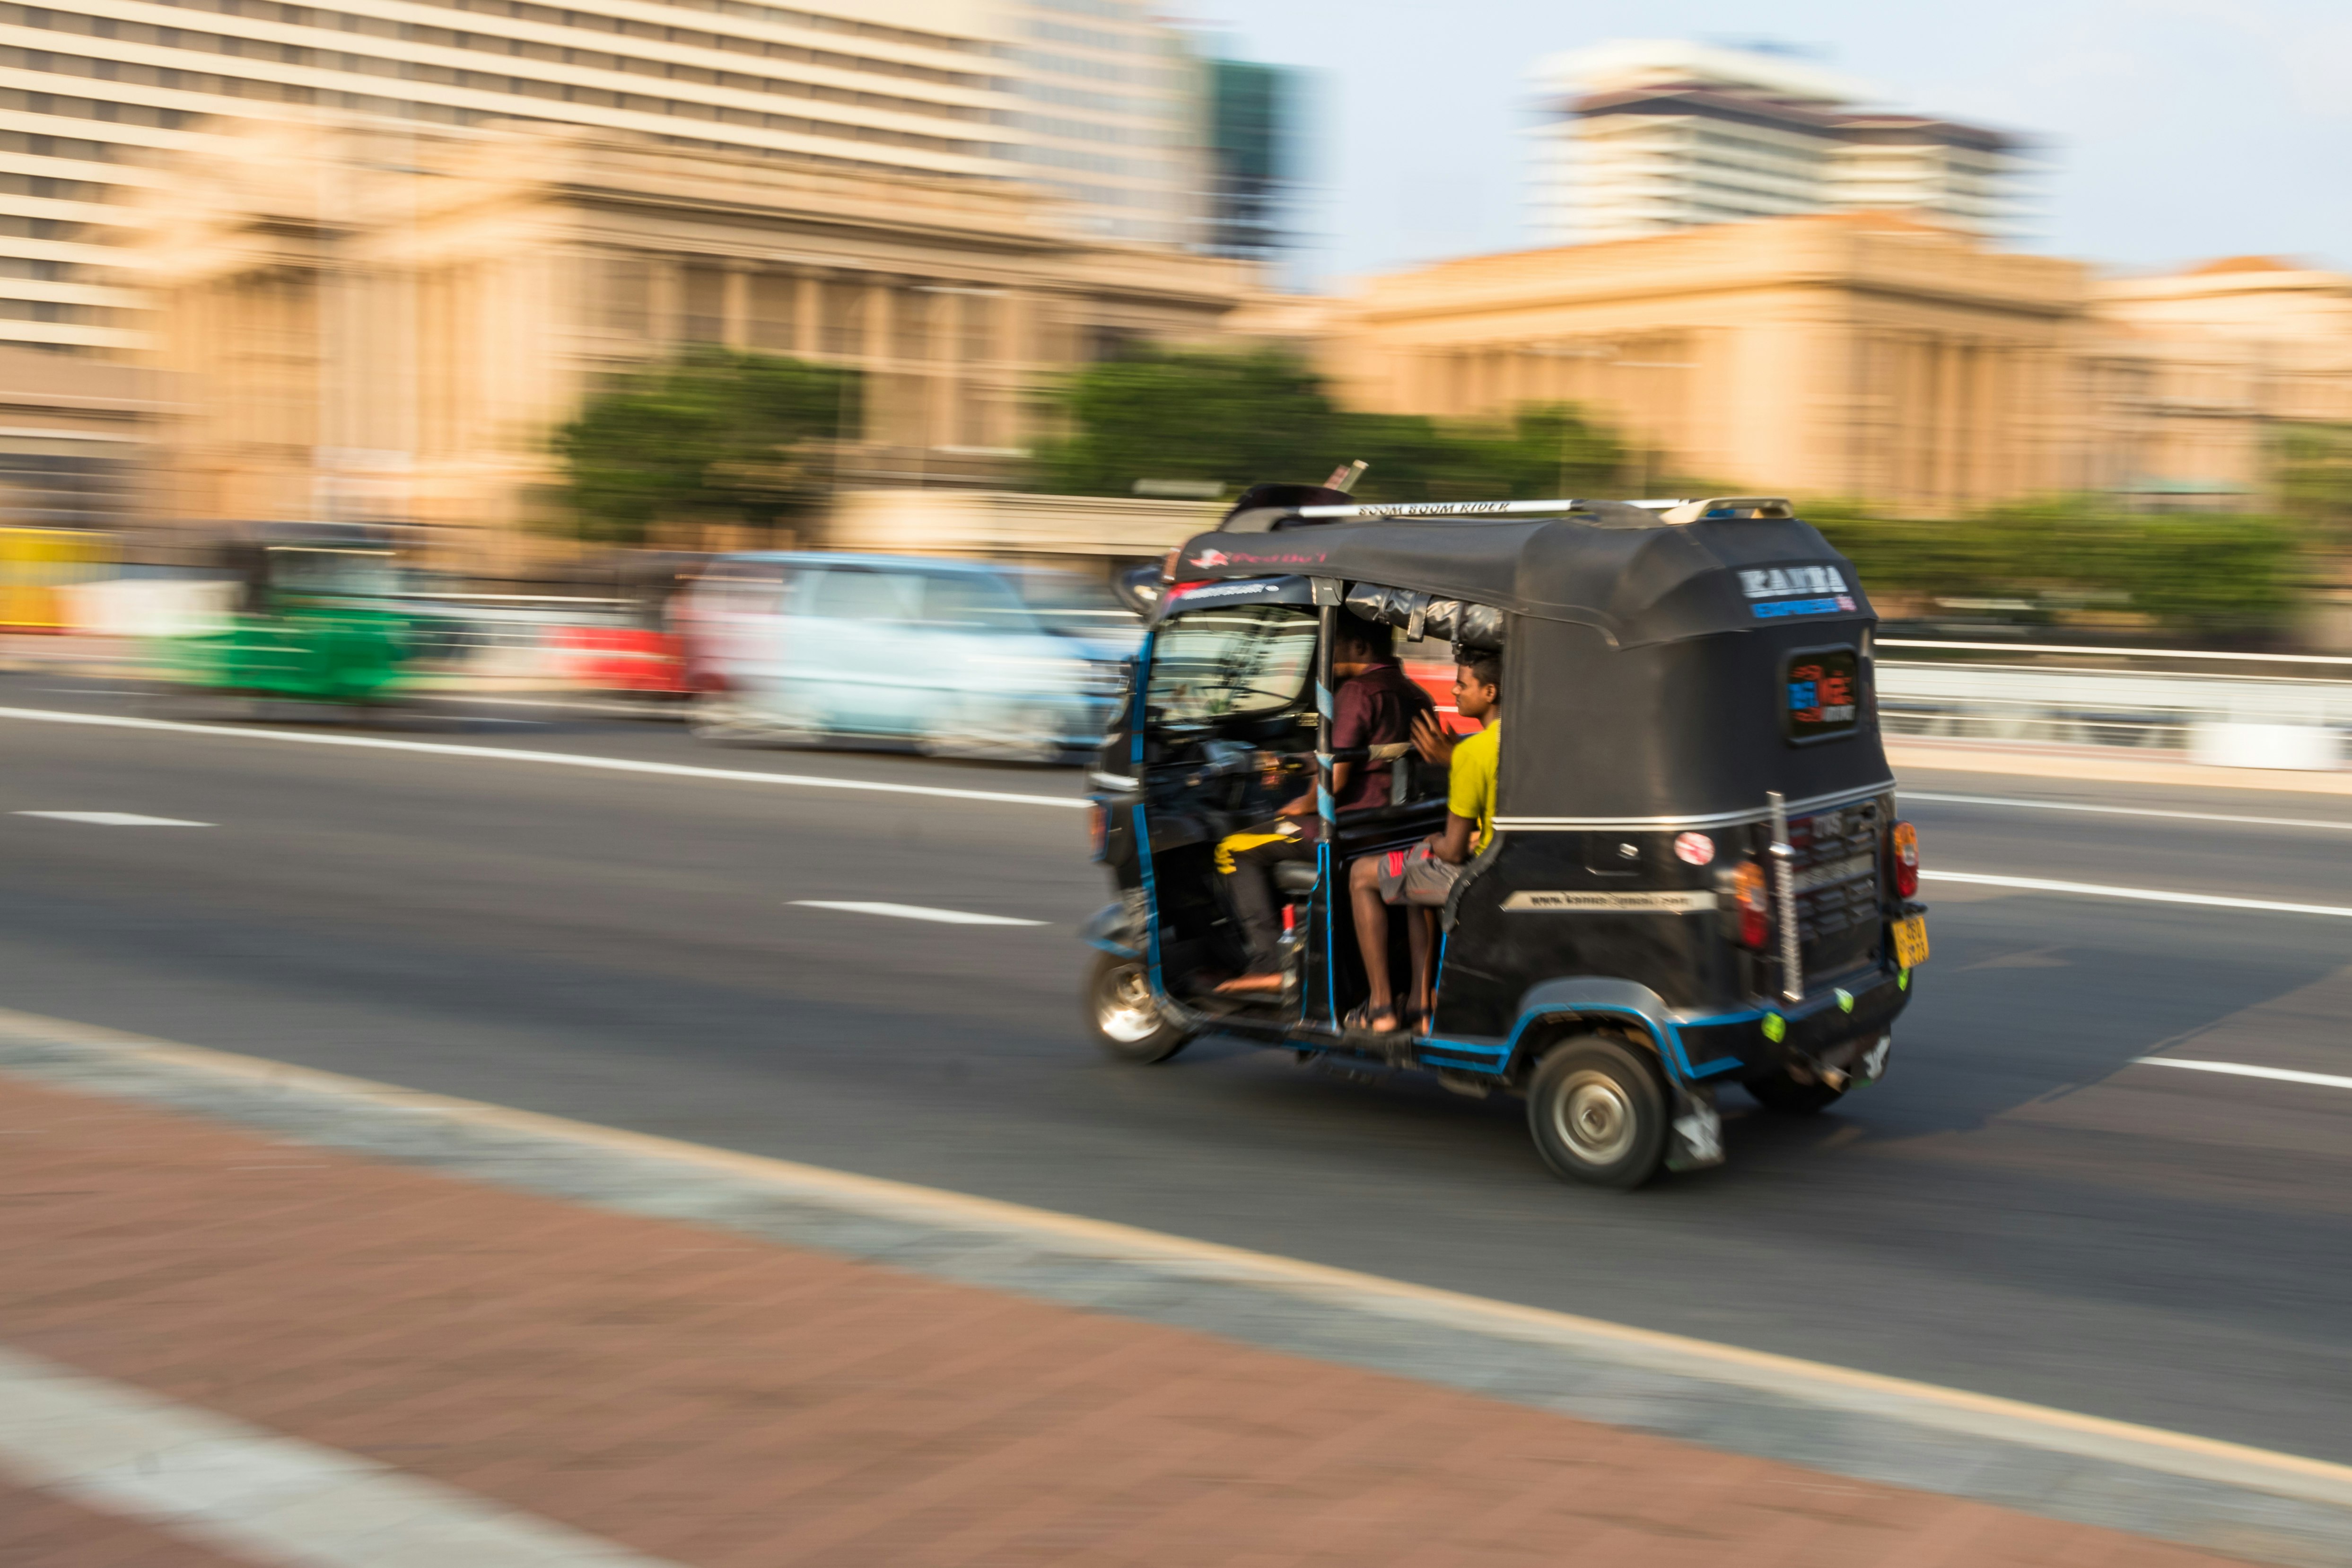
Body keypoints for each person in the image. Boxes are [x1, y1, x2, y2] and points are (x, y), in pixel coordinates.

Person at [1215, 615, 1433, 995]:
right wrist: (1298, 762)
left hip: (1347, 829)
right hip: (1391, 828)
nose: (1325, 655)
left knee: (1232, 848)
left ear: (1360, 647)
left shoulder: (1358, 692)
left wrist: (1300, 803)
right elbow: (1365, 755)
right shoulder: (1414, 692)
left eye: (1335, 644)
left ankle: (1269, 962)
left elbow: (1338, 776)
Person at [1345, 648, 1501, 1033]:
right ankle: (1420, 1004)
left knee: (1361, 876)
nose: (1453, 691)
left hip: (1477, 876)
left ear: (1490, 692)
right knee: (1416, 877)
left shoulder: (1473, 752)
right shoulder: (1523, 742)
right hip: (1502, 863)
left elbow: (1450, 849)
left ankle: (1381, 1005)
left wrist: (1434, 840)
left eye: (1463, 685)